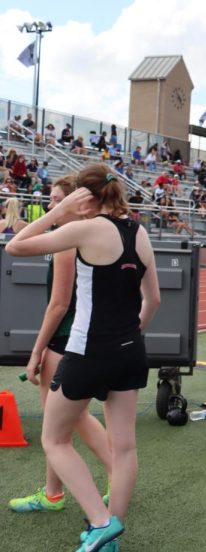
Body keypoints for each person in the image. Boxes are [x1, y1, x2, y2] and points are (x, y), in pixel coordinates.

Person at [5, 163, 161, 552]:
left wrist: (57, 214)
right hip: (131, 351)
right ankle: (109, 535)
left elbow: (15, 245)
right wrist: (129, 337)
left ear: (84, 197)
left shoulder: (84, 229)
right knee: (124, 447)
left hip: (88, 351)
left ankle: (100, 520)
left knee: (54, 439)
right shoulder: (139, 231)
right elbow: (154, 299)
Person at [9, 175, 114, 515]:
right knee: (70, 421)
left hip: (65, 340)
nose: (52, 206)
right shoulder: (84, 239)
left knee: (64, 424)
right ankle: (57, 490)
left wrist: (37, 350)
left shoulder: (69, 244)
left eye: (57, 201)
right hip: (77, 338)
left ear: (77, 204)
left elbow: (58, 304)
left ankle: (99, 480)